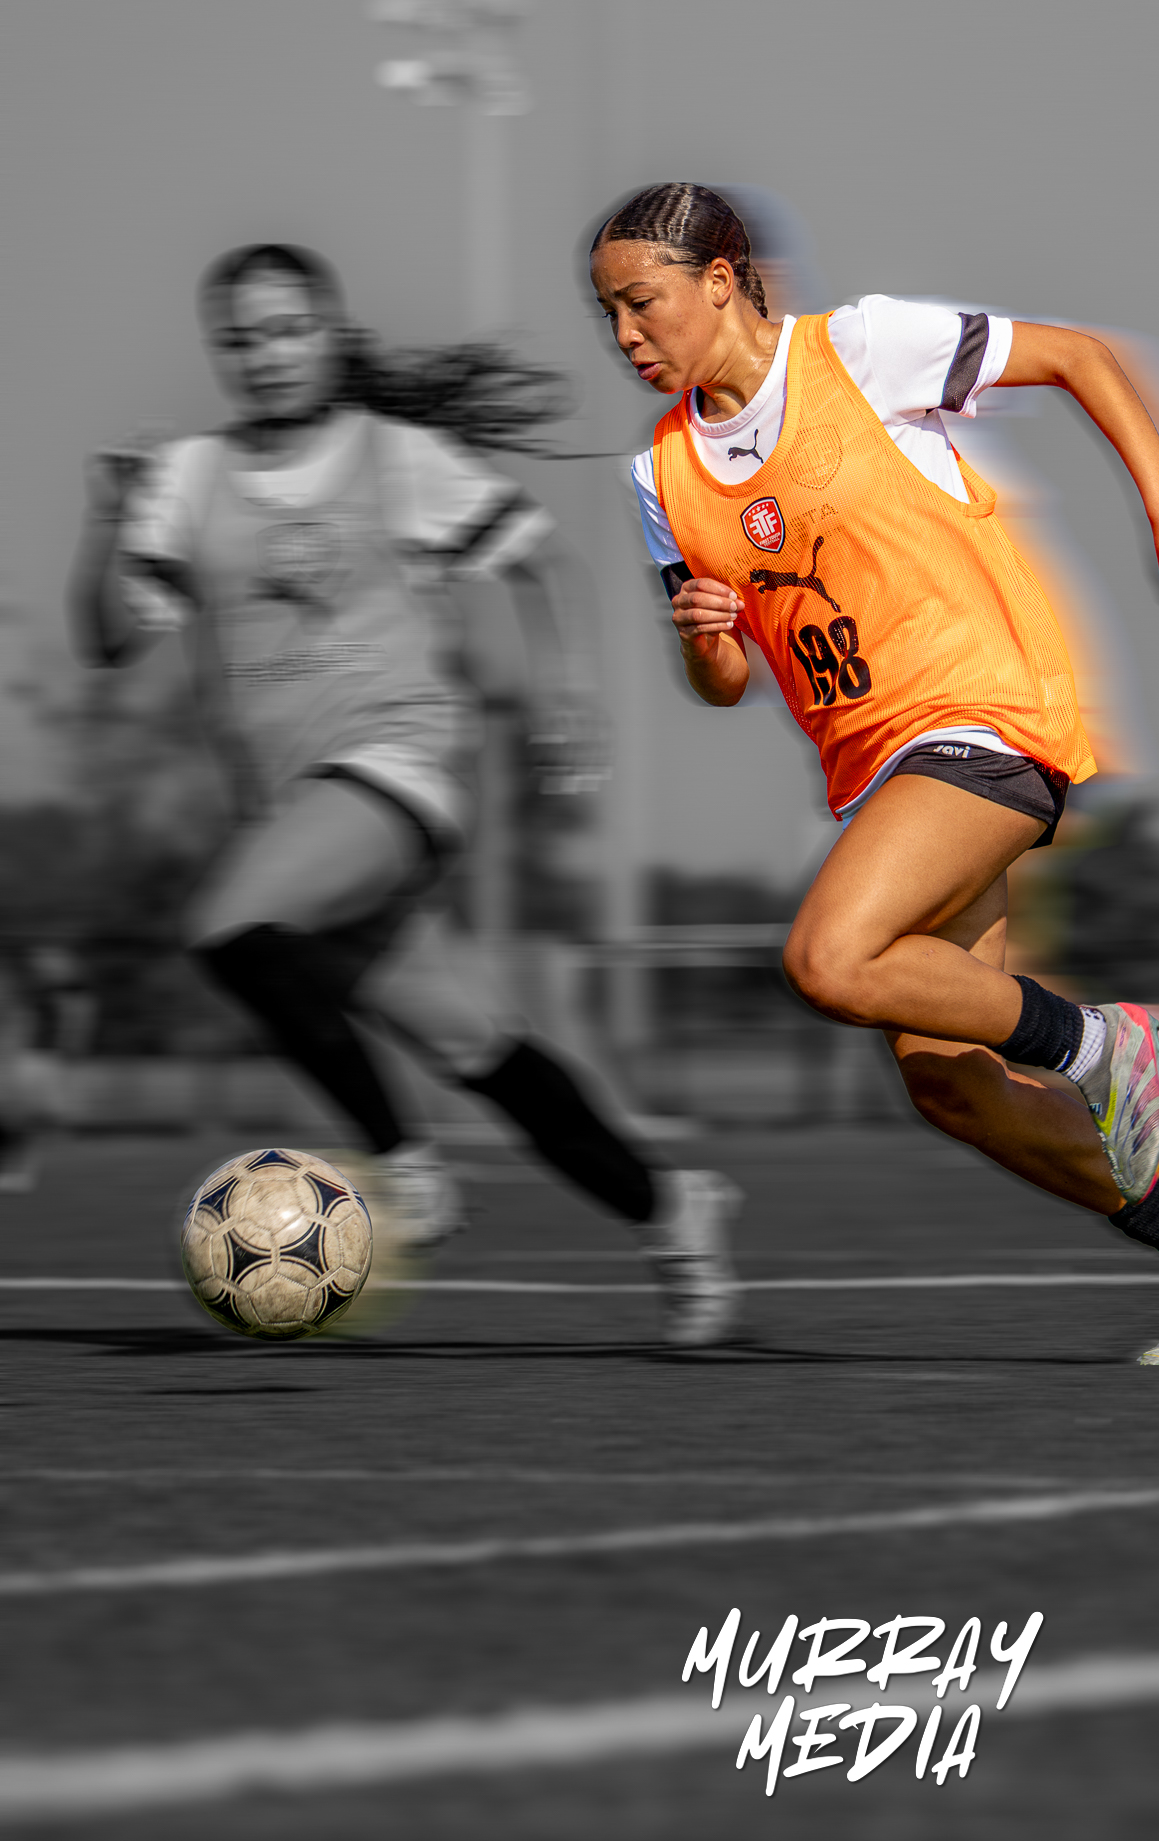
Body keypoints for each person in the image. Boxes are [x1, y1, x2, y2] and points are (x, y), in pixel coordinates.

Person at [593, 182, 1159, 1367]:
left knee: (829, 959)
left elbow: (1082, 359)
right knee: (952, 1086)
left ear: (718, 281)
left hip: (984, 715)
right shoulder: (659, 476)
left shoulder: (861, 349)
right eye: (608, 313)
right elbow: (724, 684)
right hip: (884, 775)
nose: (625, 335)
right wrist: (703, 637)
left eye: (641, 302)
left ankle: (1101, 1045)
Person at [69, 242, 740, 1345]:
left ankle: (402, 1166)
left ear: (328, 337)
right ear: (222, 353)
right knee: (483, 1051)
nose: (268, 354)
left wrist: (565, 695)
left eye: (289, 329)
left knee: (227, 928)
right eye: (242, 338)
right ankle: (672, 1210)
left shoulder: (400, 459)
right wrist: (112, 514)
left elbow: (541, 562)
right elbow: (106, 640)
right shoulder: (187, 480)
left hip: (398, 770)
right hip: (297, 824)